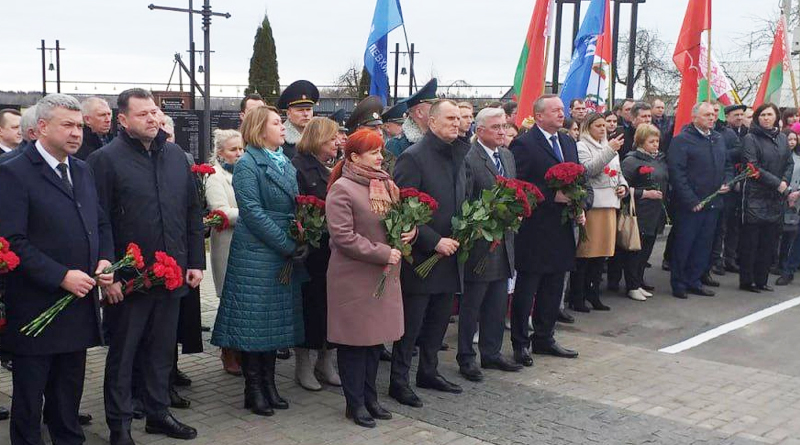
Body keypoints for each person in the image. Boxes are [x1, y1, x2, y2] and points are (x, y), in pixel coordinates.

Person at [88, 88, 205, 444]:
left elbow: (191, 212)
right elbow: (98, 220)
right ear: (122, 120)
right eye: (143, 114)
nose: (153, 118)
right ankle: (119, 426)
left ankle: (157, 414)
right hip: (128, 280)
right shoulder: (105, 160)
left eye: (155, 112)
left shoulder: (174, 156)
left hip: (172, 275)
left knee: (160, 352)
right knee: (124, 356)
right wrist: (107, 275)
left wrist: (195, 262)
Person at [0, 93, 114, 445]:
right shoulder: (13, 173)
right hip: (36, 303)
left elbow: (100, 223)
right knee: (31, 395)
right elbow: (12, 241)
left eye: (79, 126)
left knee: (68, 390)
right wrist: (60, 275)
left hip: (77, 304)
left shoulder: (81, 169)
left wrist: (105, 259)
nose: (77, 133)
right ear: (41, 127)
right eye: (67, 125)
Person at [210, 105, 304, 417]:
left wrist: (302, 233)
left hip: (280, 252)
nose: (282, 127)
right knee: (254, 324)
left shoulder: (284, 162)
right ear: (259, 129)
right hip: (256, 254)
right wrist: (287, 243)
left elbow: (296, 204)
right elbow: (251, 211)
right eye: (277, 123)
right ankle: (253, 389)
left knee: (273, 324)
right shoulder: (249, 163)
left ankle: (269, 384)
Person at [326, 129, 411, 428]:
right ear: (353, 157)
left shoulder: (385, 184)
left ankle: (371, 398)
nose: (380, 157)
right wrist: (382, 252)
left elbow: (395, 221)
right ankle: (355, 403)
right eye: (373, 152)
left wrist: (408, 232)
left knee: (375, 342)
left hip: (383, 275)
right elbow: (343, 237)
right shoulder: (343, 189)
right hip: (354, 277)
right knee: (355, 344)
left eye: (380, 151)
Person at [390, 99, 468, 408]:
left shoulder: (461, 153)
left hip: (450, 254)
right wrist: (432, 240)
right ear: (432, 123)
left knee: (439, 320)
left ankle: (429, 371)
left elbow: (463, 197)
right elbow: (403, 211)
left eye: (457, 119)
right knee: (411, 325)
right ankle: (399, 380)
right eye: (449, 118)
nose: (455, 123)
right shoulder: (413, 158)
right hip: (422, 258)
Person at [509, 94, 583, 368]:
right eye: (555, 110)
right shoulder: (525, 144)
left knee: (554, 287)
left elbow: (578, 177)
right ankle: (520, 342)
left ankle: (545, 337)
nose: (561, 114)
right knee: (528, 289)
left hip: (562, 227)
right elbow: (520, 184)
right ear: (539, 115)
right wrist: (552, 197)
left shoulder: (567, 141)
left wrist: (579, 203)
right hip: (535, 229)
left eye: (562, 109)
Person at [457, 107, 522, 383]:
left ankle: (491, 352)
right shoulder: (469, 158)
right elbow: (465, 200)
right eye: (495, 127)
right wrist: (485, 218)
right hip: (480, 242)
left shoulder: (506, 155)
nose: (502, 131)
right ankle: (466, 357)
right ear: (479, 130)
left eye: (504, 126)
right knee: (473, 303)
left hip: (504, 239)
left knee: (497, 301)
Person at [291, 117, 342, 391]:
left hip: (336, 251)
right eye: (332, 138)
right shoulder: (299, 167)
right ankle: (304, 365)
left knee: (331, 308)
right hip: (313, 252)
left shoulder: (337, 167)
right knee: (311, 309)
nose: (337, 142)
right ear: (318, 139)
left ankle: (326, 361)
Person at [667, 102, 731, 299]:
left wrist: (727, 181)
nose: (711, 118)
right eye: (706, 115)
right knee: (684, 244)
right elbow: (677, 173)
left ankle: (694, 280)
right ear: (694, 117)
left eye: (713, 115)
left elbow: (727, 165)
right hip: (690, 205)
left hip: (713, 203)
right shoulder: (682, 140)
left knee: (704, 244)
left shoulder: (718, 139)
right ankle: (678, 283)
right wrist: (691, 200)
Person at [570, 112, 626, 310]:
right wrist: (610, 150)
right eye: (598, 126)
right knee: (586, 253)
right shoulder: (582, 146)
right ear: (587, 127)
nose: (603, 129)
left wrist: (623, 186)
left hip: (610, 202)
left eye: (605, 126)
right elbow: (588, 170)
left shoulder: (609, 146)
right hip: (594, 205)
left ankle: (593, 294)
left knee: (601, 254)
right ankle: (578, 296)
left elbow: (618, 172)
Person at [739, 103, 793, 293]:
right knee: (751, 242)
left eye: (770, 114)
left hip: (775, 197)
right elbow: (752, 167)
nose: (766, 118)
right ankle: (748, 280)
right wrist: (778, 183)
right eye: (762, 115)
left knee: (768, 242)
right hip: (755, 195)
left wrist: (784, 181)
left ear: (776, 117)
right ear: (757, 118)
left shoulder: (782, 139)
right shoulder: (750, 138)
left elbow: (789, 162)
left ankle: (761, 279)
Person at [206, 129, 244, 376]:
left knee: (242, 301)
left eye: (241, 149)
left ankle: (241, 349)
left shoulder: (245, 172)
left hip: (248, 245)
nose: (239, 154)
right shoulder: (214, 177)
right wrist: (254, 213)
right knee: (230, 301)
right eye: (233, 150)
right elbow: (220, 212)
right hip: (228, 245)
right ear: (220, 153)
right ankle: (227, 351)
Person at [621, 124, 669, 301]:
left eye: (657, 141)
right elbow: (622, 187)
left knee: (646, 250)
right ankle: (631, 285)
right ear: (641, 142)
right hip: (639, 212)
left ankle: (639, 281)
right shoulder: (631, 161)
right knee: (635, 250)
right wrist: (644, 193)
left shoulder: (659, 159)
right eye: (651, 141)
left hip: (655, 213)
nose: (656, 144)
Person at [711, 104, 749, 275]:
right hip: (724, 183)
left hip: (740, 184)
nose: (739, 117)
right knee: (721, 225)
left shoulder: (747, 133)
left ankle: (730, 258)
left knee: (734, 225)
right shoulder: (722, 133)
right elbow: (722, 154)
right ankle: (716, 260)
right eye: (736, 115)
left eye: (742, 114)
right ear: (727, 116)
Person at [386, 78, 438, 157]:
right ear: (419, 112)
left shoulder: (440, 140)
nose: (438, 110)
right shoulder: (397, 145)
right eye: (434, 106)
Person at [776, 129, 800, 284]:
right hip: (785, 198)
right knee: (790, 235)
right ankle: (786, 269)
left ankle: (790, 267)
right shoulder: (781, 156)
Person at [277, 80, 320, 160]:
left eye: (308, 109)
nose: (306, 114)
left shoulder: (320, 137)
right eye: (300, 110)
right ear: (288, 113)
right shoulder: (279, 140)